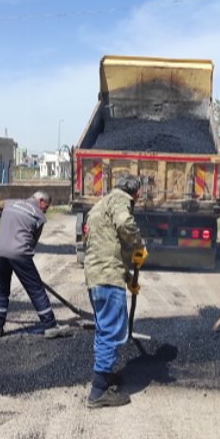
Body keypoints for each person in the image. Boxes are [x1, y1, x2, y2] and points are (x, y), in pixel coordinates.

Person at [0, 191, 68, 339]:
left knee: (1, 289)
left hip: (0, 252)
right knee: (36, 289)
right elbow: (32, 243)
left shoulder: (9, 204)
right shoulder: (39, 216)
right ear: (41, 201)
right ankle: (50, 326)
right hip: (20, 254)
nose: (46, 210)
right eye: (47, 206)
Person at [83, 174, 147, 408]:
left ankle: (106, 376)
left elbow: (104, 246)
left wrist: (128, 278)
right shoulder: (120, 200)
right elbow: (125, 224)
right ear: (136, 192)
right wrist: (139, 245)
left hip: (96, 277)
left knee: (103, 328)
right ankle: (98, 391)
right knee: (112, 331)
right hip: (108, 278)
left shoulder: (99, 206)